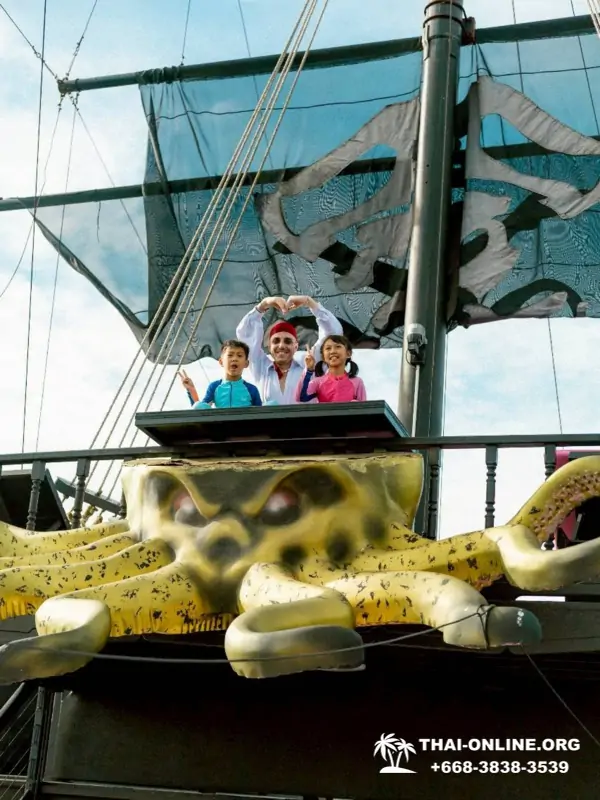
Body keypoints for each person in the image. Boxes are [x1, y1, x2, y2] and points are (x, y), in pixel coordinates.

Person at [235, 295, 343, 405]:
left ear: (296, 346)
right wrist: (263, 305)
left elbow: (334, 336)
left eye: (287, 341)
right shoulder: (261, 367)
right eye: (276, 341)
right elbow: (245, 334)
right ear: (269, 346)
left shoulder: (310, 364)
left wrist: (310, 303)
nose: (281, 345)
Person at [178, 340, 262, 409]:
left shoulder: (251, 389)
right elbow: (201, 410)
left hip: (244, 428)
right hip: (220, 427)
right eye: (230, 355)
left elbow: (260, 414)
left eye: (239, 356)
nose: (234, 359)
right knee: (197, 405)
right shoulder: (214, 386)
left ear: (246, 363)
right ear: (221, 362)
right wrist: (191, 389)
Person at [296, 334, 366, 404]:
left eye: (338, 347)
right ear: (323, 357)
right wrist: (309, 370)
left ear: (348, 353)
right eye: (328, 348)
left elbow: (364, 409)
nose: (333, 351)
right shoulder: (318, 382)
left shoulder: (357, 382)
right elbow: (301, 397)